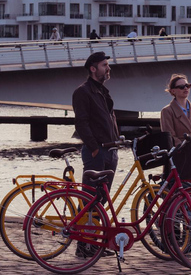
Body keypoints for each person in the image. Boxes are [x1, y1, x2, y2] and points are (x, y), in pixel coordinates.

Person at [72, 52, 118, 256]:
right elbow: (81, 123)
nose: (108, 68)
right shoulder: (83, 92)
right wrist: (94, 147)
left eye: (108, 65)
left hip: (110, 150)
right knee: (89, 199)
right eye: (104, 65)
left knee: (100, 201)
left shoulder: (102, 91)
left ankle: (95, 243)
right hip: (97, 152)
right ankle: (82, 246)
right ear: (93, 68)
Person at [160, 73, 191, 142]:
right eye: (181, 87)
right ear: (173, 91)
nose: (185, 88)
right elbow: (170, 138)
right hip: (181, 151)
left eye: (187, 86)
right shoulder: (167, 111)